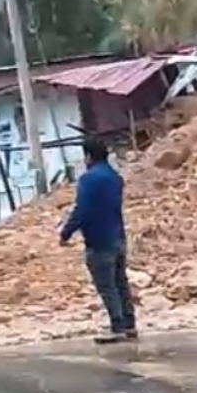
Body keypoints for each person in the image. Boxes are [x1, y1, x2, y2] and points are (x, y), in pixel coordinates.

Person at [59, 139, 136, 344]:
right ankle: (129, 324)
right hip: (118, 236)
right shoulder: (115, 177)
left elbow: (82, 210)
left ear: (88, 156)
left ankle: (117, 326)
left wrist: (66, 233)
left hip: (98, 240)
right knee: (121, 283)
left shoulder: (89, 179)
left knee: (107, 286)